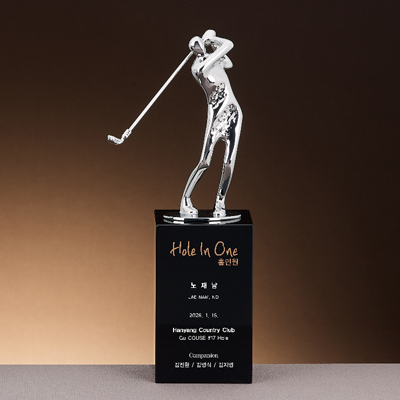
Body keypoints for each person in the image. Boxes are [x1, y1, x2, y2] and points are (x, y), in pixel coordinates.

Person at [180, 30, 243, 218]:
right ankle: (185, 200)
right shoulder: (198, 68)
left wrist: (213, 44)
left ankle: (220, 203)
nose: (199, 46)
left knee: (229, 161)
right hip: (216, 114)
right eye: (196, 45)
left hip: (233, 110)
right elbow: (229, 44)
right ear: (193, 50)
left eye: (200, 43)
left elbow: (229, 63)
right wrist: (214, 39)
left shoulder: (213, 59)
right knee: (205, 161)